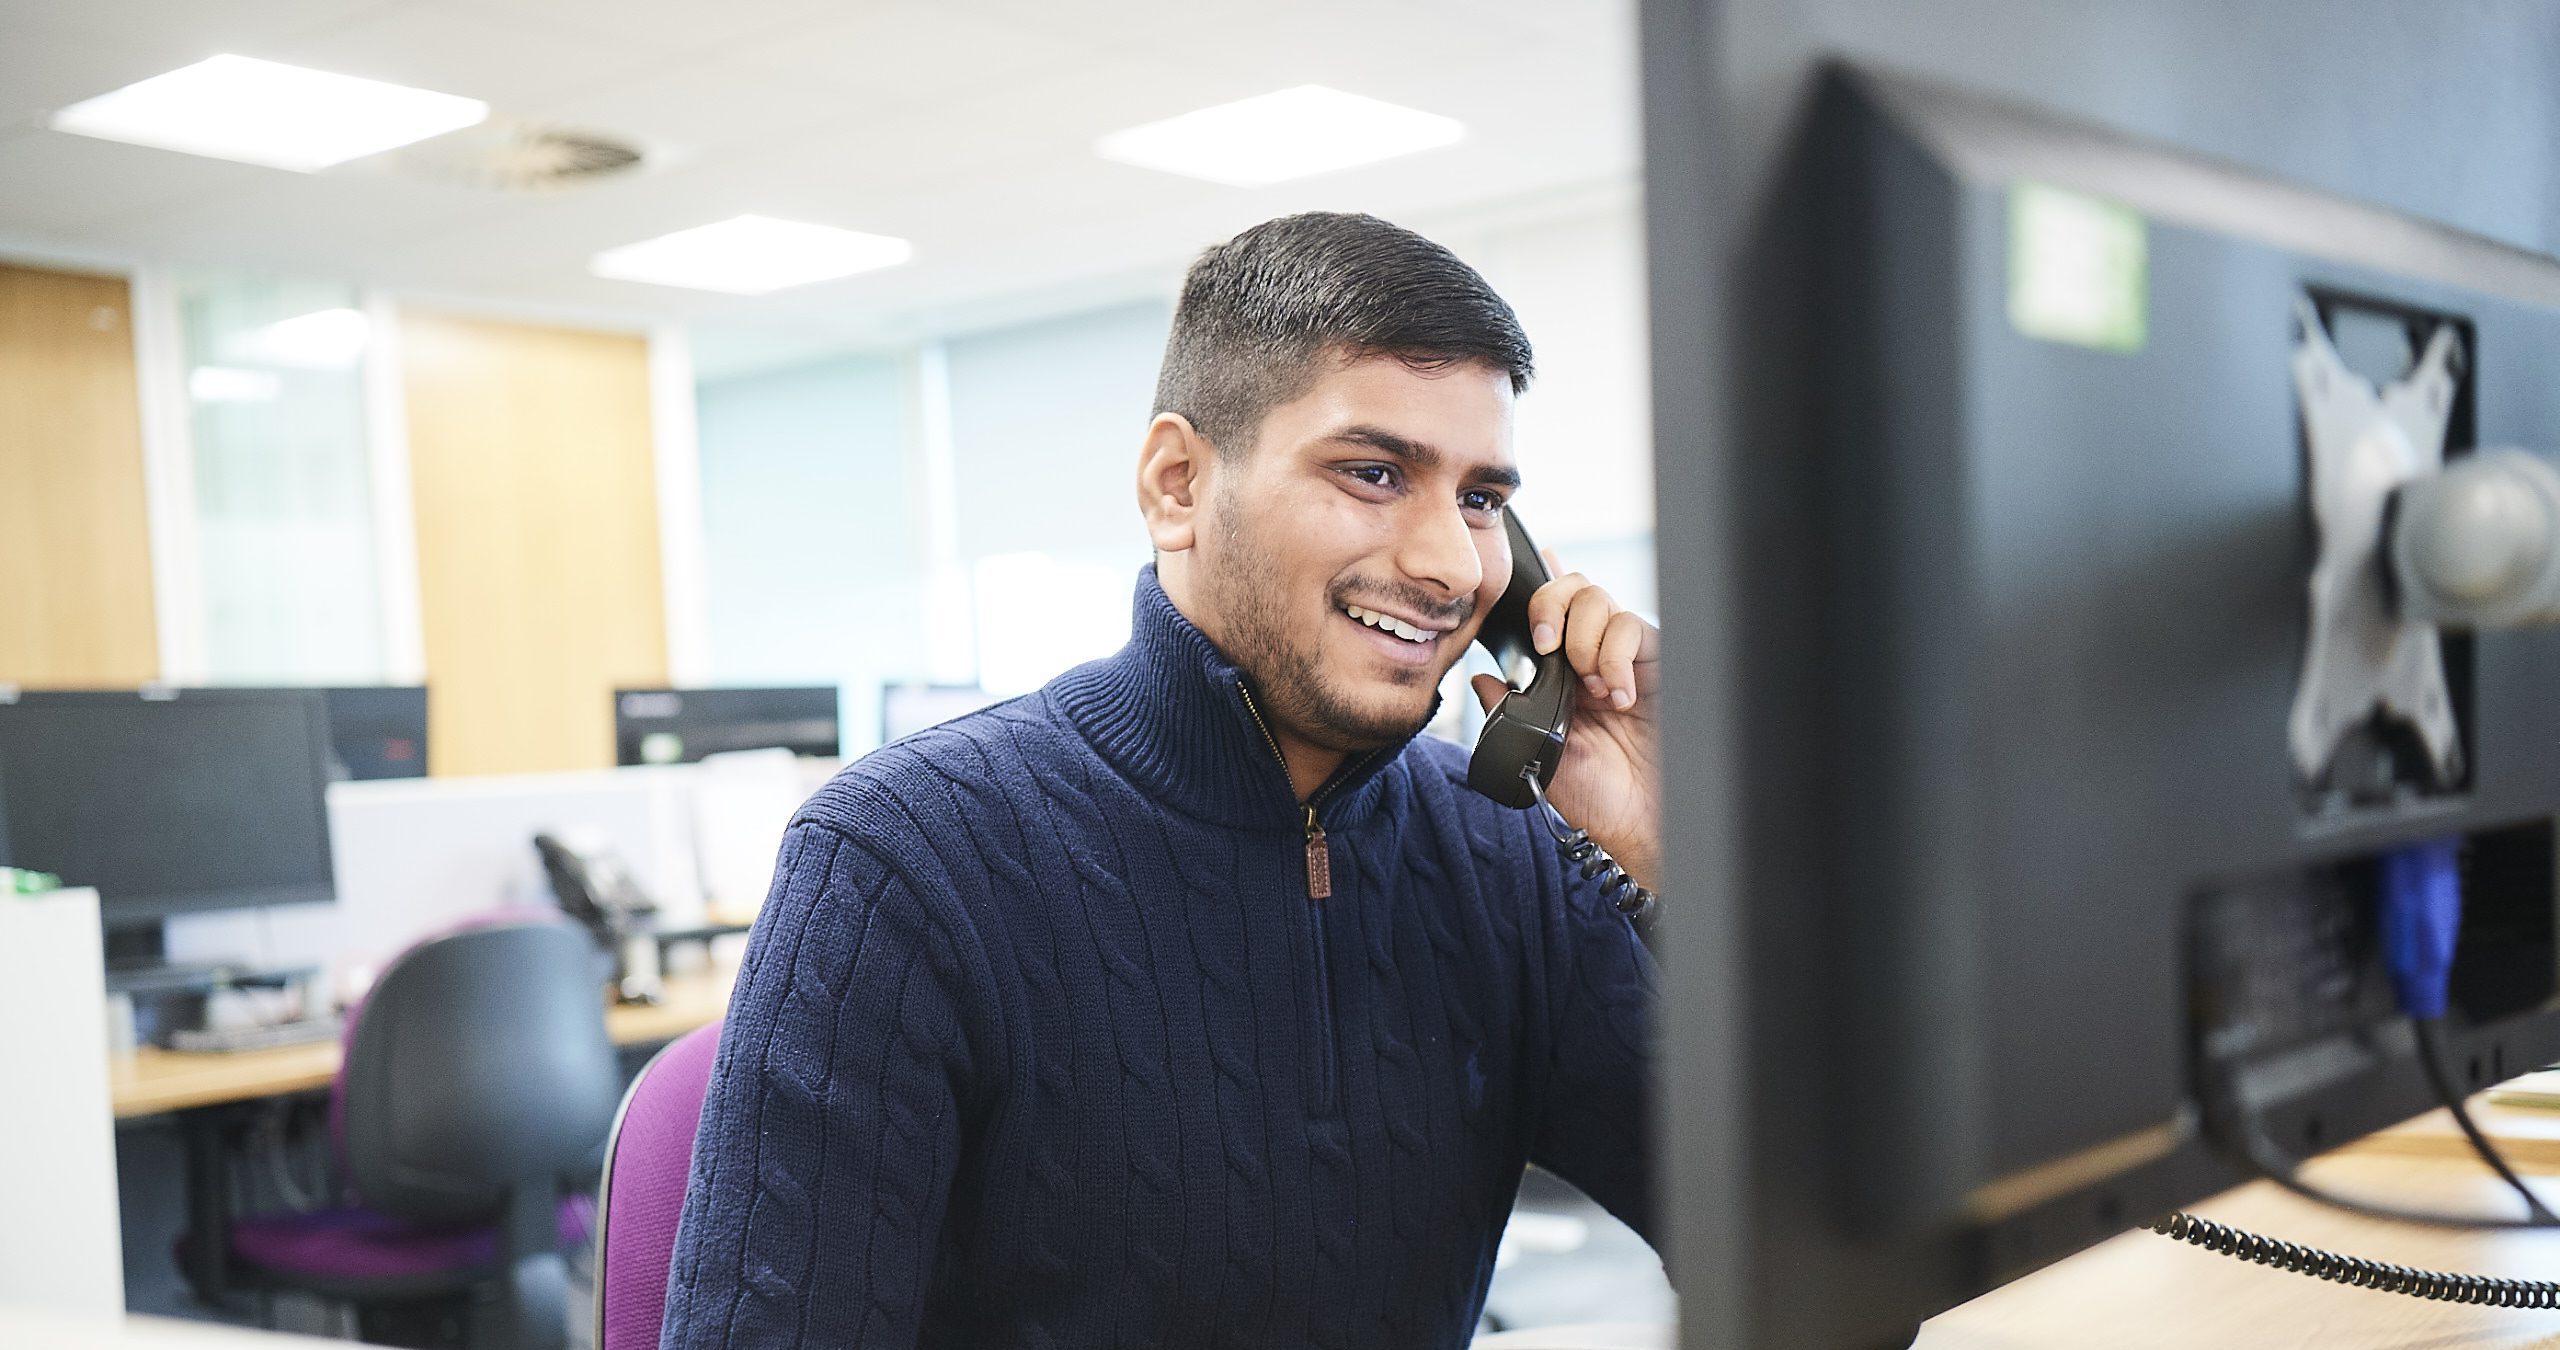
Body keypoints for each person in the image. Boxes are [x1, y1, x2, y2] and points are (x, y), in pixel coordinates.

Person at [660, 211, 1660, 1348]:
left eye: (1481, 500)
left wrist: (1682, 867)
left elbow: (1828, 1271)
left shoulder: (1505, 848)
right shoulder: (904, 857)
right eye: (1375, 473)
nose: (1448, 563)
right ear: (1177, 482)